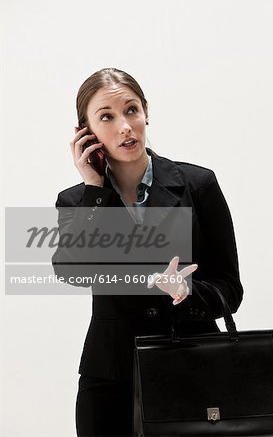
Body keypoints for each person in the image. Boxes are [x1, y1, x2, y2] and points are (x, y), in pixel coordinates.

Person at [52, 67, 243, 436]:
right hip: (110, 376)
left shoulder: (198, 184)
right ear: (85, 132)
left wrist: (187, 292)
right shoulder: (77, 200)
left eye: (131, 110)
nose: (125, 126)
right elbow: (71, 271)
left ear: (146, 113)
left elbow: (230, 288)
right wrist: (94, 188)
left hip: (193, 364)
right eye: (107, 117)